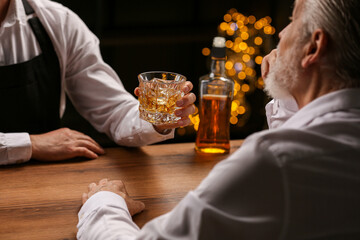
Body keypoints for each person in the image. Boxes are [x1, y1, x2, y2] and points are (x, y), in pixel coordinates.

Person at [77, 0, 360, 239]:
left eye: (292, 20)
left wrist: (103, 203)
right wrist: (291, 88)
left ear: (314, 47)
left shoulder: (273, 161)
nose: (282, 34)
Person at [0, 0, 196, 165]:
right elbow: (31, 144)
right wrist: (30, 144)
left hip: (43, 179)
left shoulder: (58, 21)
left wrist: (156, 122)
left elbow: (114, 111)